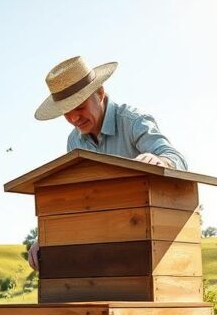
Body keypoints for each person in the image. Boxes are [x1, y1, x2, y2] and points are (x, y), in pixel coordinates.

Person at [27, 56, 188, 270]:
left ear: (100, 93)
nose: (75, 118)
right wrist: (46, 236)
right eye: (67, 113)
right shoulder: (74, 140)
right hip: (101, 242)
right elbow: (73, 197)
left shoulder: (133, 121)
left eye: (80, 107)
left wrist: (159, 160)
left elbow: (177, 159)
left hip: (144, 238)